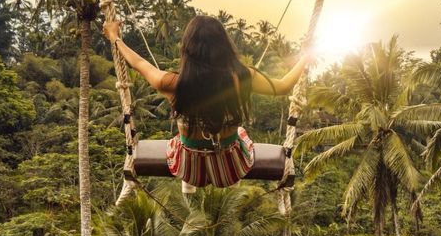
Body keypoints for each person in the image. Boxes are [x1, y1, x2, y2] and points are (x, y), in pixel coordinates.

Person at [102, 15, 312, 193]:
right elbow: (283, 86)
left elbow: (139, 63)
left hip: (188, 169)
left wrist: (115, 38)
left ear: (188, 49)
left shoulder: (173, 84)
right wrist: (305, 58)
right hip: (230, 169)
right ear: (224, 47)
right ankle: (231, 184)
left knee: (180, 140)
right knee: (240, 135)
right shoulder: (242, 76)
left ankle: (189, 188)